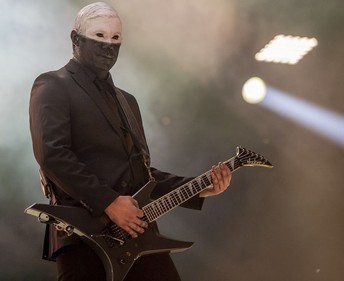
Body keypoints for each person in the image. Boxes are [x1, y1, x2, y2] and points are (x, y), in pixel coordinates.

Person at [29, 2, 232, 281]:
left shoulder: (128, 102)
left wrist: (199, 187)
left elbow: (141, 175)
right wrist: (109, 202)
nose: (108, 46)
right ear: (75, 38)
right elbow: (52, 154)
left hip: (139, 236)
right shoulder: (53, 85)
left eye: (116, 38)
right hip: (84, 236)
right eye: (99, 36)